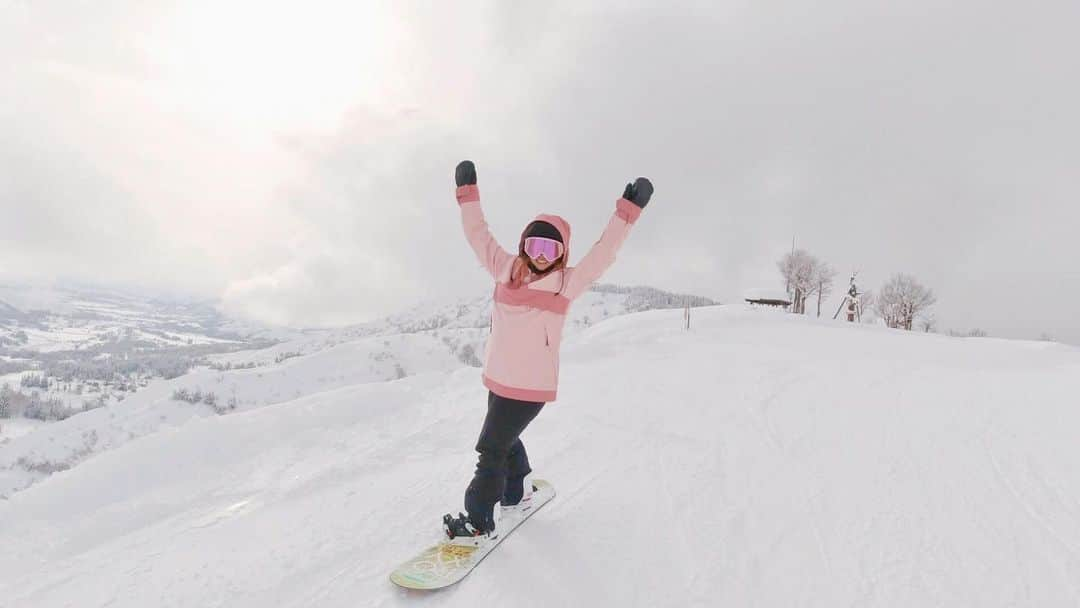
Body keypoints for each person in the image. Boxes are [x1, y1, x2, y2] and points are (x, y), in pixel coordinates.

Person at [442, 160, 654, 541]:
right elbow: (478, 234)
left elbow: (604, 252)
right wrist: (467, 194)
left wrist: (627, 212)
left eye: (550, 247)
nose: (540, 254)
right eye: (534, 245)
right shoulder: (503, 268)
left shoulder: (565, 284)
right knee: (505, 438)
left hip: (530, 386)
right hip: (498, 377)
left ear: (561, 252)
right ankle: (517, 492)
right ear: (524, 244)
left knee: (490, 449)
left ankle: (478, 521)